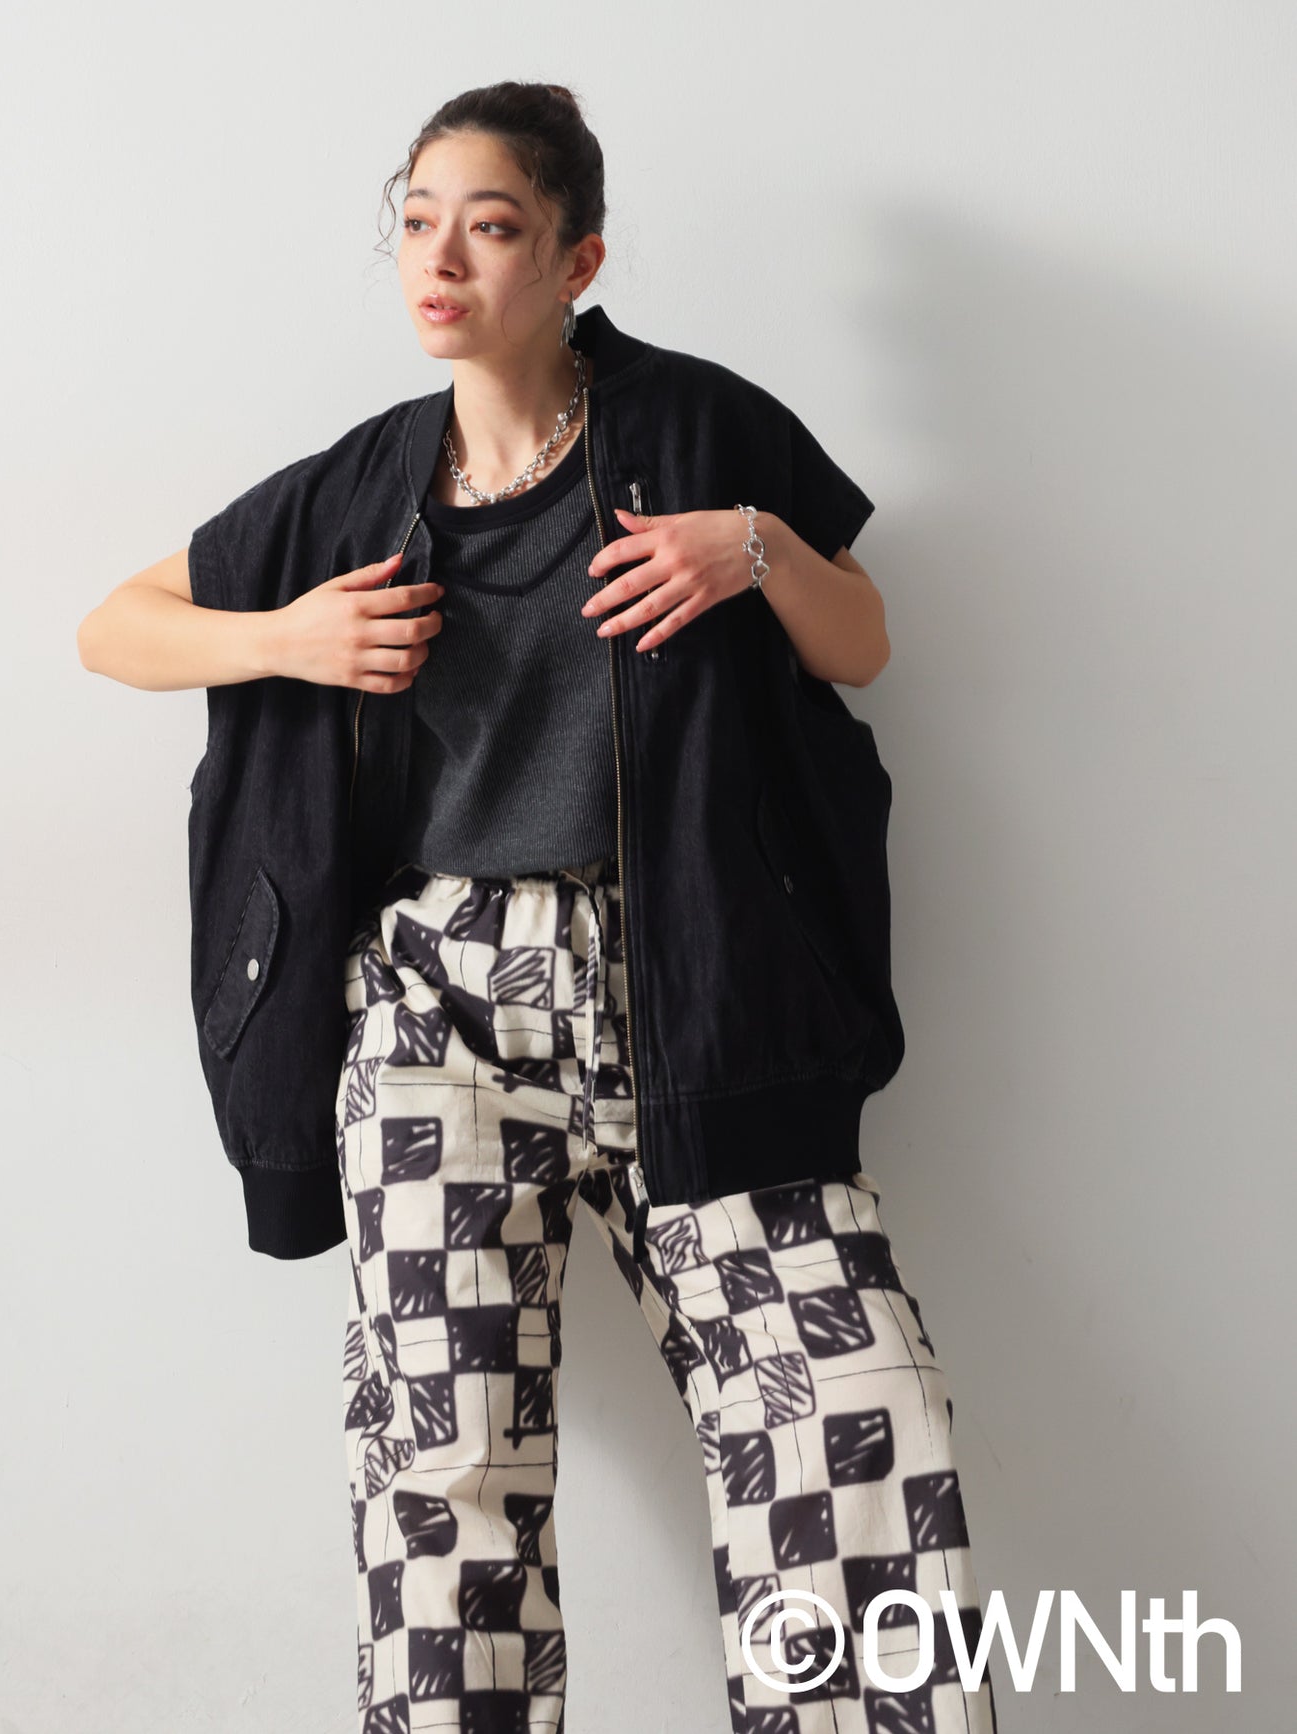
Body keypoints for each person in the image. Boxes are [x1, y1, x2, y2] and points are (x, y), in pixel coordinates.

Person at [79, 79, 997, 1734]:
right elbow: (115, 626)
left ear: (577, 260)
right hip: (430, 1015)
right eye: (416, 221)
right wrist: (287, 638)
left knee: (853, 1418)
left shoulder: (700, 432)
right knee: (447, 1501)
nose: (440, 258)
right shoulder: (357, 489)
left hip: (688, 988)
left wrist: (754, 548)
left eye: (489, 226)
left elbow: (860, 640)